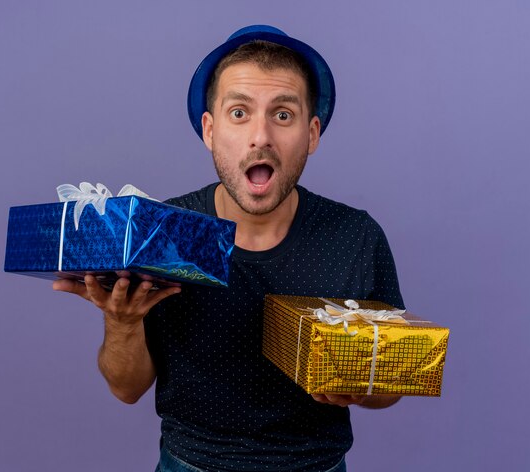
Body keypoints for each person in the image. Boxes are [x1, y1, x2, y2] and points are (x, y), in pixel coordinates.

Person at [54, 25, 404, 472]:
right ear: (210, 129)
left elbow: (390, 387)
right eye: (239, 113)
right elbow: (127, 389)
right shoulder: (163, 233)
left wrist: (361, 385)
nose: (261, 137)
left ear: (312, 133)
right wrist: (122, 323)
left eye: (283, 115)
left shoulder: (355, 235)